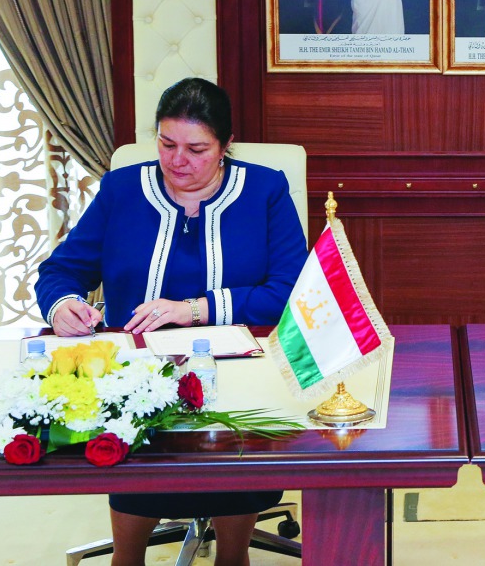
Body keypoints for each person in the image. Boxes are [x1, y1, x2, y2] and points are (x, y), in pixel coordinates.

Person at [35, 77, 307, 566]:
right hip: (137, 378)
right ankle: (127, 556)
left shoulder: (265, 190)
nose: (178, 160)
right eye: (166, 144)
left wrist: (192, 309)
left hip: (240, 371)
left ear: (225, 146)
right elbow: (60, 271)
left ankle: (233, 556)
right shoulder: (122, 189)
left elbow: (288, 292)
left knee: (236, 446)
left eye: (196, 149)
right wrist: (64, 305)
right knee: (133, 434)